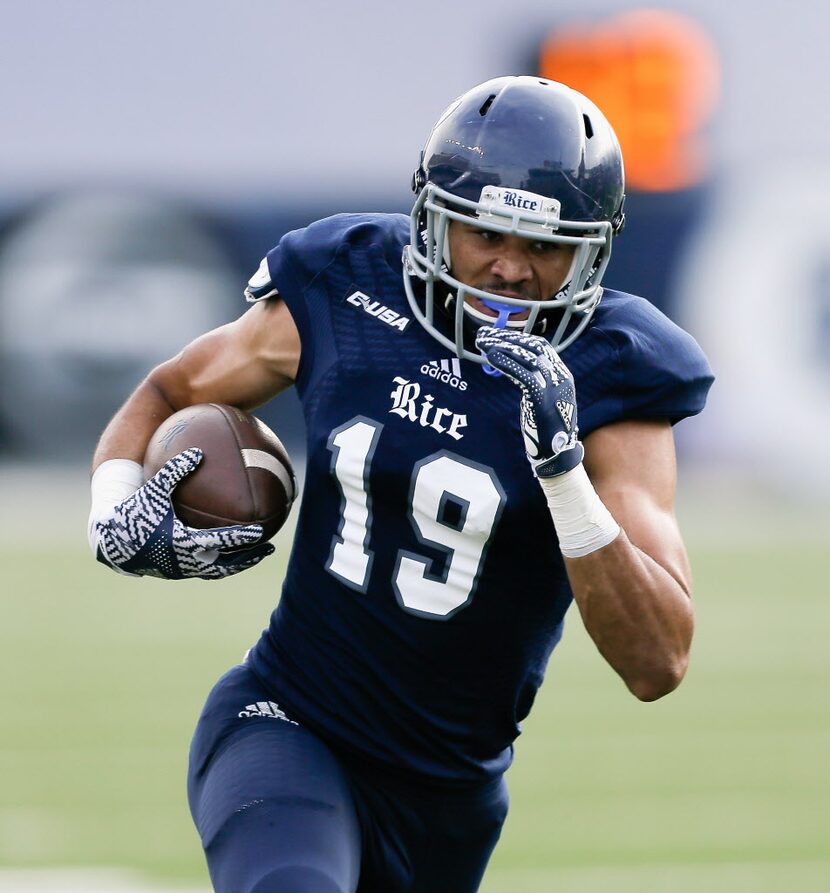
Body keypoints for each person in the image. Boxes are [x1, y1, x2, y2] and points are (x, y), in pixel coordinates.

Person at [88, 76, 714, 893]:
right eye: (485, 234)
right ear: (432, 219)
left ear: (593, 250)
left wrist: (564, 478)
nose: (512, 270)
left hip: (448, 798)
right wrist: (112, 506)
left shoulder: (614, 373)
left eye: (546, 246)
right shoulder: (348, 285)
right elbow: (173, 390)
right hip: (288, 722)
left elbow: (657, 660)